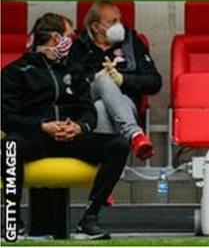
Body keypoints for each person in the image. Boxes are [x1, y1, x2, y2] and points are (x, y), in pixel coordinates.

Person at [1, 13, 129, 240]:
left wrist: (80, 127)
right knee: (10, 145)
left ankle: (90, 218)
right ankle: (12, 221)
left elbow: (88, 110)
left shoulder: (74, 70)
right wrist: (42, 126)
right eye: (69, 35)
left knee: (118, 145)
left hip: (72, 137)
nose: (73, 40)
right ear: (54, 38)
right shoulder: (15, 72)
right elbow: (6, 117)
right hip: (35, 138)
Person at [68, 0, 161, 161]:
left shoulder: (132, 42)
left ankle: (103, 163)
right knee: (103, 80)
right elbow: (68, 82)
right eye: (112, 22)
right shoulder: (78, 46)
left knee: (102, 107)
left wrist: (123, 80)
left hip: (125, 104)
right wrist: (94, 78)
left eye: (119, 20)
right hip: (87, 101)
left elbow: (154, 82)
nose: (119, 26)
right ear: (95, 27)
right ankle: (135, 135)